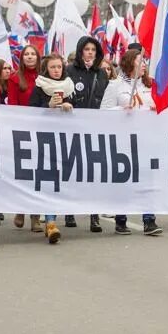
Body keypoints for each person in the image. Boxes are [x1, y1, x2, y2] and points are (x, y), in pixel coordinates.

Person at [100, 49, 163, 235]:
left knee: (147, 178)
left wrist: (154, 109)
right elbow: (103, 112)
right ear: (129, 63)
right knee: (125, 180)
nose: (144, 64)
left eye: (145, 61)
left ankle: (149, 220)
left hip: (146, 139)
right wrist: (120, 109)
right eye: (140, 61)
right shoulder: (115, 85)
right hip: (124, 141)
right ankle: (121, 219)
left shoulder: (149, 86)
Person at [28, 53, 76, 244]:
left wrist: (69, 105)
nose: (56, 70)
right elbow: (30, 111)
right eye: (52, 67)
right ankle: (50, 221)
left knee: (61, 179)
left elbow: (82, 109)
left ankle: (53, 217)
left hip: (65, 138)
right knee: (49, 180)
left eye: (59, 67)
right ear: (46, 69)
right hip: (45, 140)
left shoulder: (69, 86)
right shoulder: (40, 87)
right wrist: (47, 106)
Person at [65, 36, 109, 233]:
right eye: (87, 49)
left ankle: (94, 215)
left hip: (94, 128)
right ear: (80, 50)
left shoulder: (101, 73)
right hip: (72, 127)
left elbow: (106, 99)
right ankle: (69, 211)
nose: (90, 52)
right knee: (72, 170)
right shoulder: (70, 71)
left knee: (93, 172)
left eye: (93, 49)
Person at [7, 45, 43, 231]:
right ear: (21, 59)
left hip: (41, 131)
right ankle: (20, 209)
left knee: (38, 173)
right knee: (23, 173)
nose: (29, 57)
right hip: (22, 131)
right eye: (26, 54)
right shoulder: (14, 78)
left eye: (32, 54)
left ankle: (35, 217)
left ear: (38, 58)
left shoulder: (44, 78)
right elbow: (13, 104)